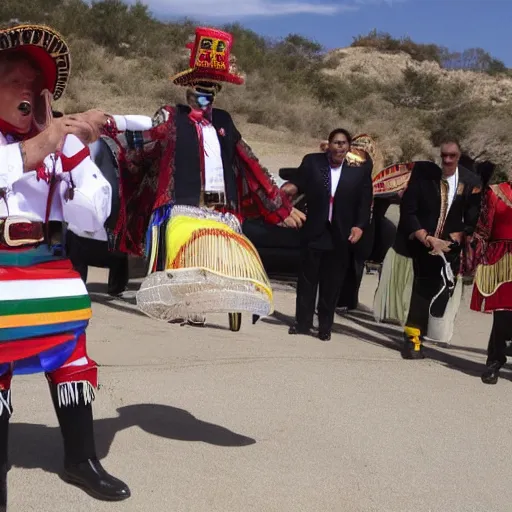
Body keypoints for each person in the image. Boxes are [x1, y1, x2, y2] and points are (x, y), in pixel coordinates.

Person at [0, 24, 130, 507]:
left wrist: (73, 153)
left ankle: (82, 459)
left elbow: (96, 217)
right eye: (17, 79)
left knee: (72, 362)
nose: (31, 91)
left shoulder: (64, 144)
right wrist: (48, 141)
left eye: (39, 84)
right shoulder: (42, 140)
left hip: (52, 269)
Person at [100, 27, 304, 329]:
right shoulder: (171, 115)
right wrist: (112, 125)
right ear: (187, 89)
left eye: (210, 89)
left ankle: (206, 305)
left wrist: (281, 205)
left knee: (217, 253)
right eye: (199, 88)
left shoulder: (224, 121)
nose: (204, 95)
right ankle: (179, 304)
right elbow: (150, 135)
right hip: (178, 200)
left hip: (217, 202)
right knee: (182, 247)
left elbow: (250, 162)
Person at [374, 138, 481, 358]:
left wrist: (457, 237)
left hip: (449, 247)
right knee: (418, 290)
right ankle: (412, 338)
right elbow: (409, 210)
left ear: (459, 157)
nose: (448, 160)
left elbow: (473, 216)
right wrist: (425, 237)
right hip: (420, 243)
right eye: (444, 156)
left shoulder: (471, 181)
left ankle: (432, 333)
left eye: (452, 156)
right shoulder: (423, 178)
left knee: (440, 293)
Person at [281, 128, 373, 341]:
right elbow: (297, 184)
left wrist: (359, 226)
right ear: (328, 145)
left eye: (343, 143)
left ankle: (325, 326)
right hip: (314, 229)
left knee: (331, 283)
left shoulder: (358, 170)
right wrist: (281, 195)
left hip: (340, 233)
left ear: (349, 147)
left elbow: (364, 202)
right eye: (336, 143)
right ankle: (302, 323)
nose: (340, 147)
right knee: (307, 279)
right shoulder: (314, 163)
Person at [470, 178, 512, 384]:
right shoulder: (496, 192)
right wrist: (474, 259)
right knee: (502, 314)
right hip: (500, 258)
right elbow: (483, 229)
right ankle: (495, 361)